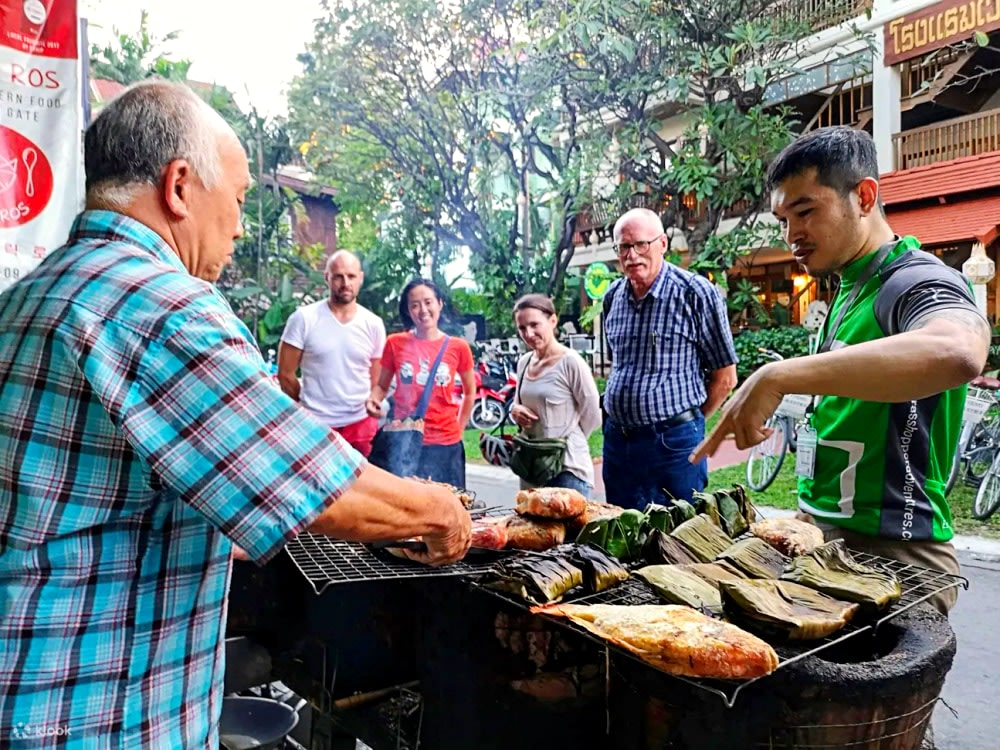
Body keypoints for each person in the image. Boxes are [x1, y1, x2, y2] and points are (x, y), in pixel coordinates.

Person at [0, 81, 470, 749]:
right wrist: (442, 511)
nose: (243, 225)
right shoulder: (161, 306)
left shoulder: (25, 298)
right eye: (241, 200)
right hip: (97, 718)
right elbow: (319, 485)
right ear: (180, 186)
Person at [693, 126, 990, 616]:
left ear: (864, 197)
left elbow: (958, 350)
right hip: (824, 534)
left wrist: (779, 375)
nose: (792, 235)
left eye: (806, 211)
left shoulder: (914, 278)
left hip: (894, 549)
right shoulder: (848, 287)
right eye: (784, 219)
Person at [601, 208, 738, 509]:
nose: (632, 254)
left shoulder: (695, 293)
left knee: (678, 537)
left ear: (662, 243)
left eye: (640, 244)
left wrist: (688, 424)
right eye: (623, 247)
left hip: (672, 444)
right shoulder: (613, 297)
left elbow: (725, 378)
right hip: (618, 442)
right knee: (619, 532)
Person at [367, 278, 476, 487]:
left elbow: (470, 392)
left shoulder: (458, 347)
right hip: (404, 444)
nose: (422, 310)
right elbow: (381, 386)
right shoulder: (395, 343)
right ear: (408, 310)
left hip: (446, 445)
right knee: (405, 509)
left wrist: (459, 429)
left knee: (449, 508)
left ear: (439, 304)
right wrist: (374, 399)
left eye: (428, 302)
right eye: (414, 305)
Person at [278, 250, 385, 456]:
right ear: (327, 277)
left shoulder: (373, 324)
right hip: (315, 426)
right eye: (338, 276)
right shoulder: (303, 319)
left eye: (351, 276)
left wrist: (374, 402)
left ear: (360, 278)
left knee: (362, 486)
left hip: (361, 425)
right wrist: (306, 406)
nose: (345, 283)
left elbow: (376, 380)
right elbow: (285, 374)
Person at [509, 294, 602, 497]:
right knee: (530, 529)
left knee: (569, 530)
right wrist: (515, 411)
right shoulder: (524, 362)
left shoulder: (571, 362)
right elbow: (518, 403)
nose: (529, 333)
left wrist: (563, 436)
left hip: (567, 469)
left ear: (552, 321)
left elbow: (593, 415)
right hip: (531, 467)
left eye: (535, 324)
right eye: (522, 328)